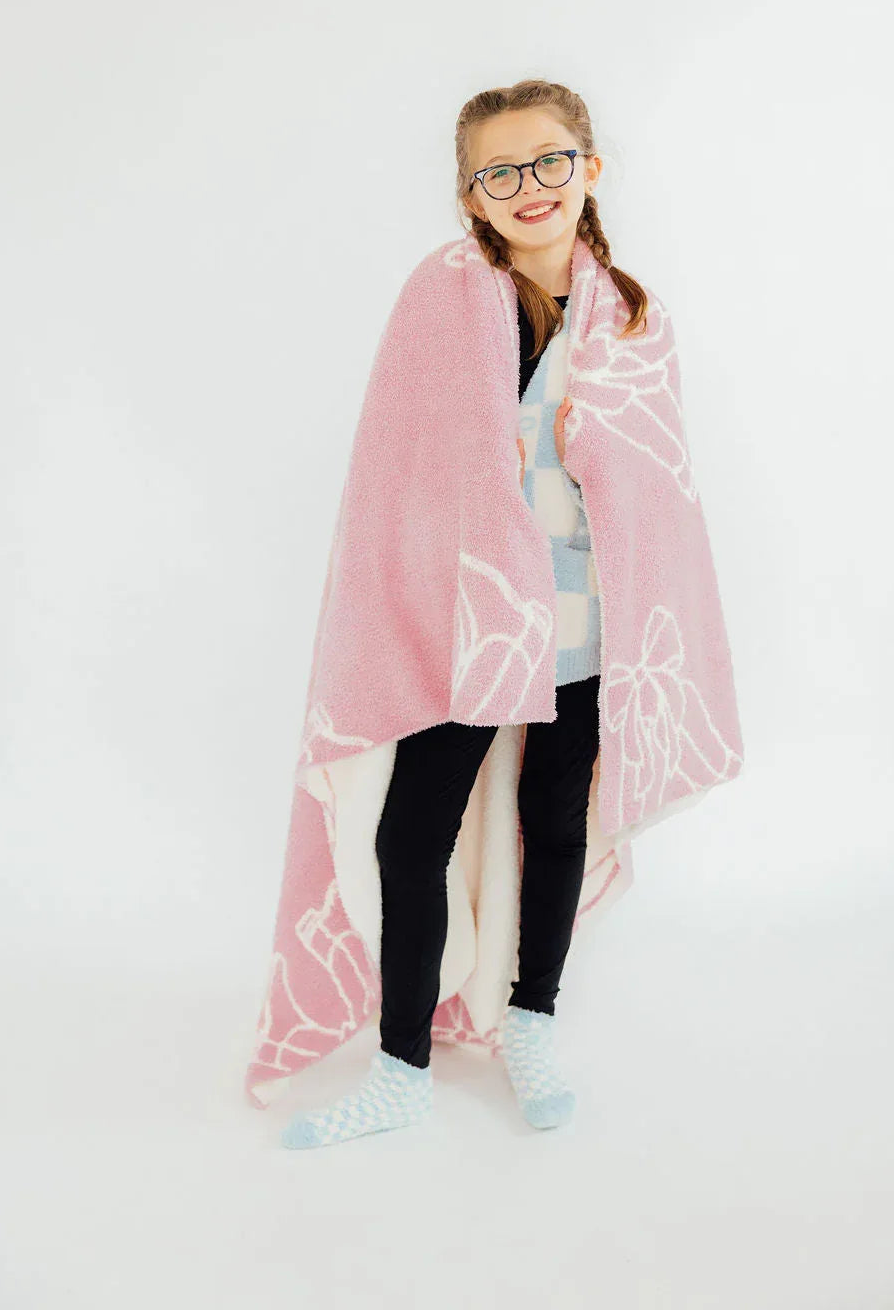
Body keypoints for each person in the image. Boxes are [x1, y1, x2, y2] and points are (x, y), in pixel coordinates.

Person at [279, 79, 656, 1149]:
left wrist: (594, 450)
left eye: (549, 160)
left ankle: (532, 1020)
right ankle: (399, 1066)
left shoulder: (631, 315)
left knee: (556, 820)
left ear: (589, 168)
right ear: (469, 194)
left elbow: (655, 485)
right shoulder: (446, 298)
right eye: (500, 170)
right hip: (475, 618)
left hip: (584, 614)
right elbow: (406, 467)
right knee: (412, 832)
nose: (529, 185)